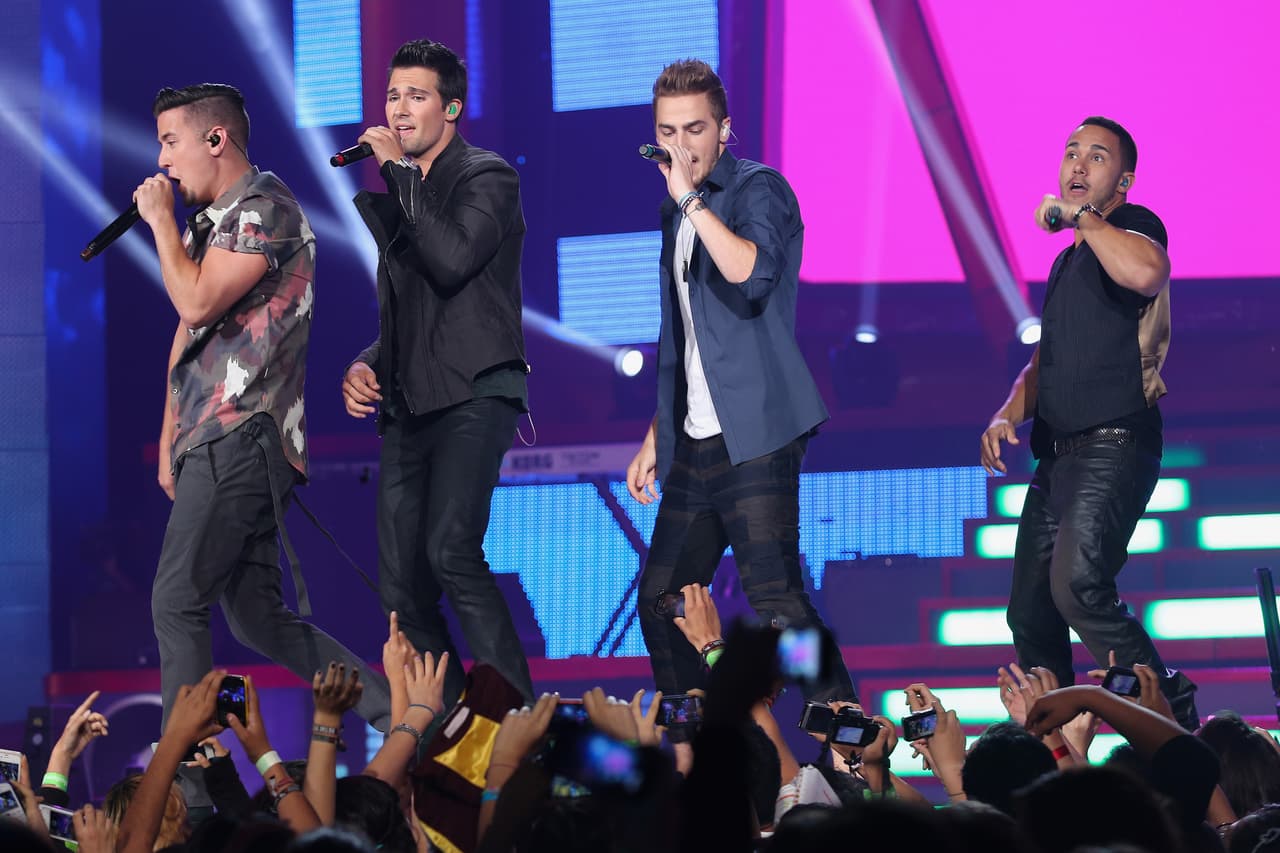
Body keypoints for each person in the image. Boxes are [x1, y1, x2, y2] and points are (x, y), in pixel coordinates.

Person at [136, 83, 390, 730]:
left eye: (171, 141)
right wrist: (171, 435)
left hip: (241, 433)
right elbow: (187, 329)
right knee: (255, 618)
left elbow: (194, 302)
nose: (162, 161)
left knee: (176, 600)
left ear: (215, 139)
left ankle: (188, 785)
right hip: (212, 436)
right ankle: (401, 716)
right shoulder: (220, 223)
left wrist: (162, 223)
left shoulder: (263, 206)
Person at [627, 59, 855, 706]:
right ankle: (699, 741)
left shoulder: (759, 190)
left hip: (757, 430)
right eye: (667, 131)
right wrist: (655, 431)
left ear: (724, 130)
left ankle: (843, 729)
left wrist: (693, 202)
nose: (680, 145)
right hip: (694, 441)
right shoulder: (675, 212)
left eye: (694, 129)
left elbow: (751, 277)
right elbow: (686, 337)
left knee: (777, 597)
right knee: (661, 597)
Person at [979, 116, 1197, 729]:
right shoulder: (1065, 267)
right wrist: (1005, 413)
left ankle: (1175, 717)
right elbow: (1044, 363)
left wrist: (1082, 219)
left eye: (1095, 157)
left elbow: (1148, 272)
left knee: (1077, 587)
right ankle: (1061, 737)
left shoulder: (1134, 226)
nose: (1077, 164)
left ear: (1122, 181)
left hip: (1114, 442)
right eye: (1071, 152)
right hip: (1059, 457)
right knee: (1029, 611)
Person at [339, 40, 534, 708]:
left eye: (416, 96)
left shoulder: (488, 177)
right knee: (400, 588)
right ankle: (453, 723)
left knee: (452, 550)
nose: (399, 109)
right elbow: (416, 310)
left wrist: (400, 175)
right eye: (393, 95)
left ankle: (515, 717)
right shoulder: (404, 189)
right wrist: (368, 362)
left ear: (450, 107)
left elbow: (453, 262)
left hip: (476, 390)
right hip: (411, 401)